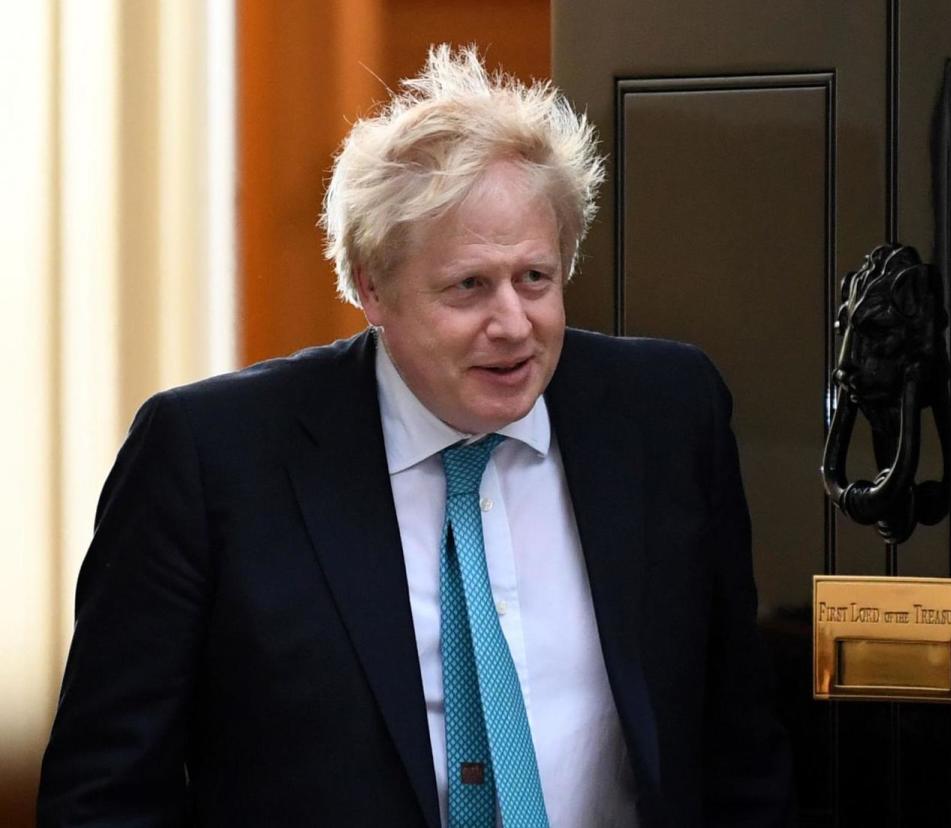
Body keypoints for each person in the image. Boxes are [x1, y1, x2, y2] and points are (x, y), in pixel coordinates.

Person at [38, 45, 792, 827]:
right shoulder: (210, 456)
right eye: (468, 286)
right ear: (371, 287)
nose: (513, 324)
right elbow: (104, 794)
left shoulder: (667, 415)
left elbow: (739, 744)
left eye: (535, 277)